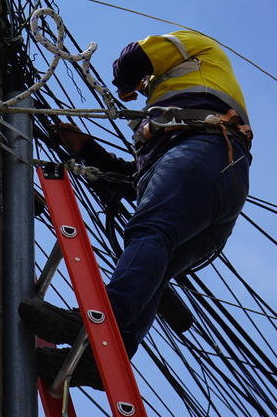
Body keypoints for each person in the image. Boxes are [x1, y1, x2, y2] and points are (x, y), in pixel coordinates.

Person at [20, 29, 253, 389]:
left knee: (149, 231)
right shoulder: (174, 126)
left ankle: (98, 321)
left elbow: (133, 58)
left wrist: (126, 86)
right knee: (155, 270)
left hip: (205, 150)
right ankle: (101, 360)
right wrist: (89, 152)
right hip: (217, 188)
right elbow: (140, 179)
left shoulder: (198, 47)